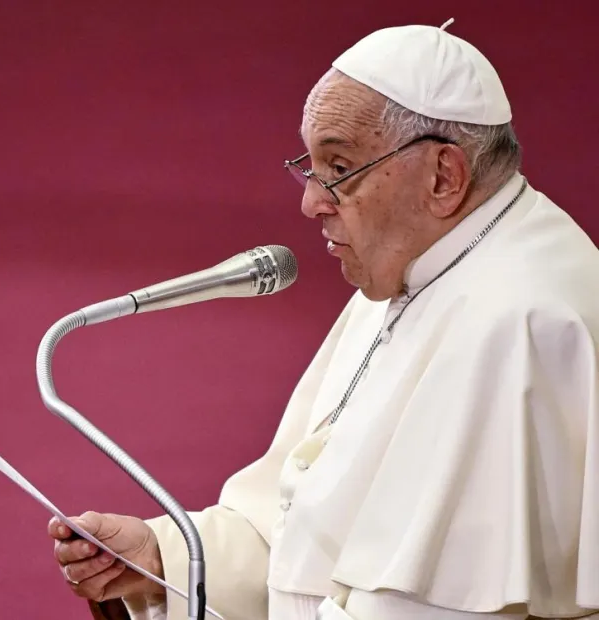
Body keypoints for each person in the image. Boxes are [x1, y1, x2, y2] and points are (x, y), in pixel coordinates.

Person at [47, 20, 599, 620]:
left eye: (338, 168)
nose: (311, 201)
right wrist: (167, 558)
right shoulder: (411, 265)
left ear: (444, 176)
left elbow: (431, 606)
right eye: (308, 167)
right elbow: (301, 531)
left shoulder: (519, 321)